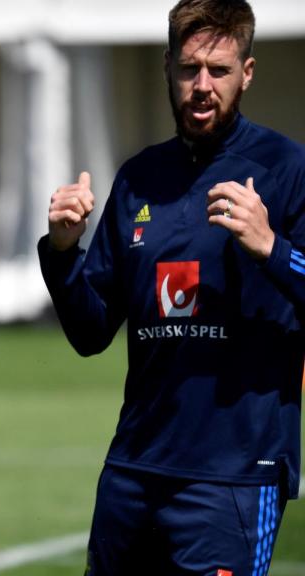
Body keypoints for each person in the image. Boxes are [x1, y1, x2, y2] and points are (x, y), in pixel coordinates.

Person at [39, 0, 305, 573]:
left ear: (248, 73)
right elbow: (90, 332)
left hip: (234, 476)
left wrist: (271, 247)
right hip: (135, 469)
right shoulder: (138, 176)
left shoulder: (288, 168)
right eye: (189, 69)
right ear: (167, 67)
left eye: (219, 70)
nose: (202, 86)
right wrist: (62, 251)